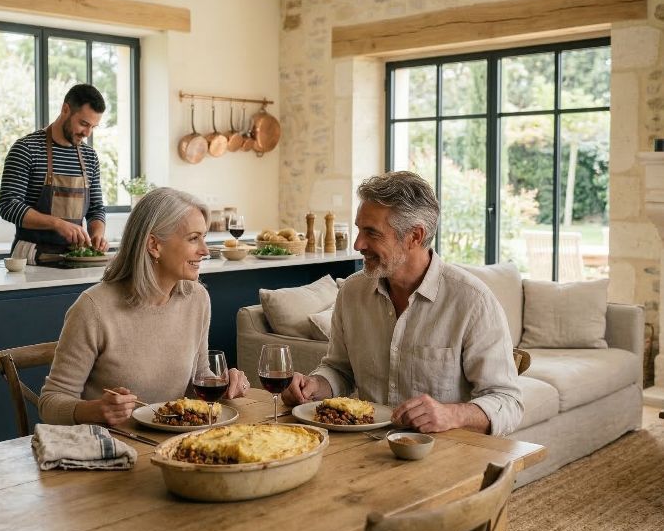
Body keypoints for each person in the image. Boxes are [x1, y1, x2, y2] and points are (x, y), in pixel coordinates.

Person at [282, 171, 523, 437]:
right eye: (359, 229)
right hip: (364, 447)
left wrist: (451, 415)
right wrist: (315, 385)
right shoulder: (351, 292)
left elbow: (508, 402)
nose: (358, 244)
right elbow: (340, 370)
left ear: (414, 236)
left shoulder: (472, 301)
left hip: (441, 452)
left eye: (372, 233)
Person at [38, 187, 250, 426]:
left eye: (203, 237)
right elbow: (50, 402)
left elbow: (199, 376)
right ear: (154, 245)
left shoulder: (196, 298)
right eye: (193, 238)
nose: (205, 250)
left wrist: (224, 384)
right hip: (113, 443)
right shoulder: (93, 308)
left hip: (176, 441)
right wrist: (94, 411)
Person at [0, 83, 109, 265]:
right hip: (30, 259)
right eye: (83, 124)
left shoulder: (89, 156)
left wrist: (97, 234)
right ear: (65, 109)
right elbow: (9, 206)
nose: (87, 133)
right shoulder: (26, 149)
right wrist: (57, 224)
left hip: (75, 260)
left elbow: (96, 209)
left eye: (93, 127)